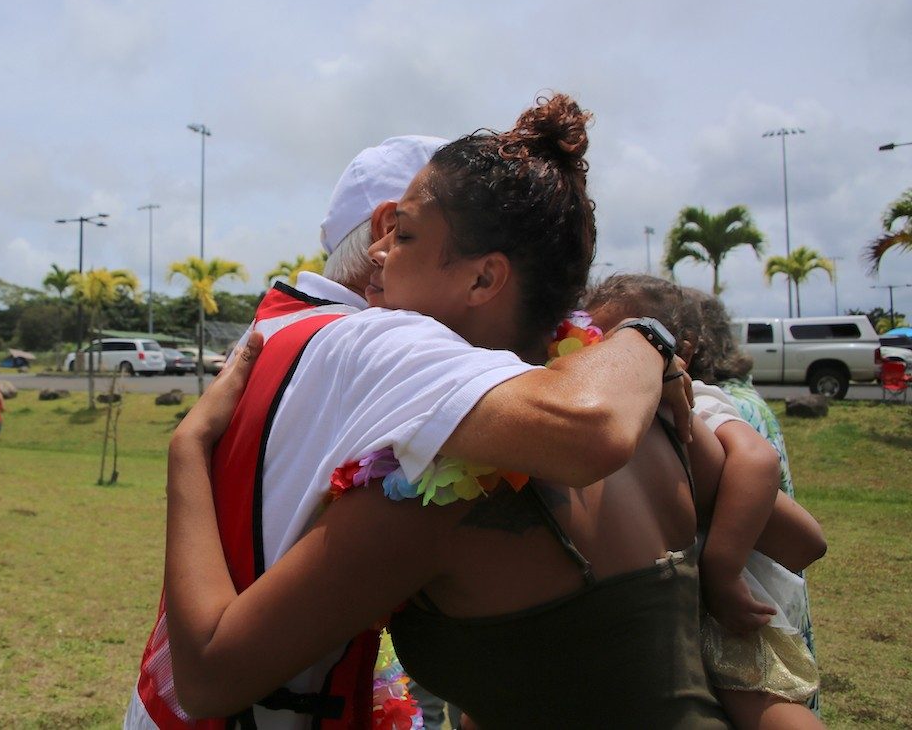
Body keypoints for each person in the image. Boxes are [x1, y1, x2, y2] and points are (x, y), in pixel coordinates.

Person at [129, 97, 696, 730]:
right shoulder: (659, 416)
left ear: (483, 281)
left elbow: (206, 676)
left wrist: (187, 449)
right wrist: (644, 338)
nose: (378, 254)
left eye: (404, 236)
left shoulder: (435, 487)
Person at [583, 275, 823, 726]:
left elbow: (757, 461)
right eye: (592, 343)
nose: (613, 359)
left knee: (759, 701)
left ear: (683, 353)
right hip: (673, 596)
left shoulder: (695, 402)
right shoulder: (617, 409)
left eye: (633, 342)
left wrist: (722, 568)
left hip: (729, 597)